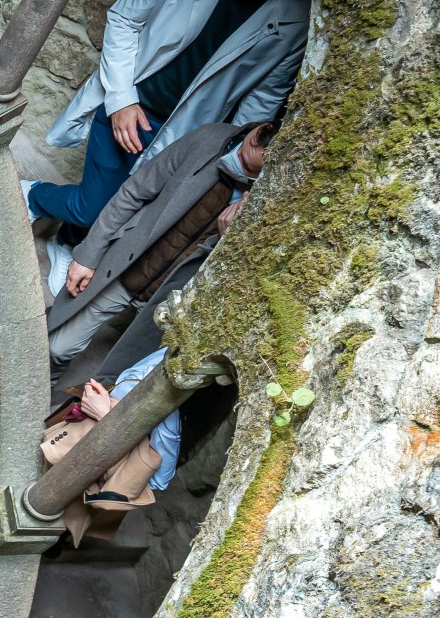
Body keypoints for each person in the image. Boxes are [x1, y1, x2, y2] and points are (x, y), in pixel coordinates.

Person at [29, 0, 310, 231]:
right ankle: (35, 196)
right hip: (130, 102)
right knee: (93, 209)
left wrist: (233, 170)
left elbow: (262, 100)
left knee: (126, 213)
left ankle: (67, 245)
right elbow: (123, 19)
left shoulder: (295, 22)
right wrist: (121, 99)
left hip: (183, 133)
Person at [48, 118, 274, 364]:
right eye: (243, 157)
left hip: (169, 300)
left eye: (252, 173)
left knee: (118, 380)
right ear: (257, 132)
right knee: (57, 348)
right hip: (129, 269)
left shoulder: (266, 201)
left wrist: (230, 238)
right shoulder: (209, 139)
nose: (239, 166)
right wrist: (88, 255)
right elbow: (133, 192)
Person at [40, 347, 183, 545]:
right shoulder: (154, 355)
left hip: (97, 472)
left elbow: (160, 479)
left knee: (73, 511)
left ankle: (58, 538)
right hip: (75, 453)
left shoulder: (169, 413)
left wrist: (106, 417)